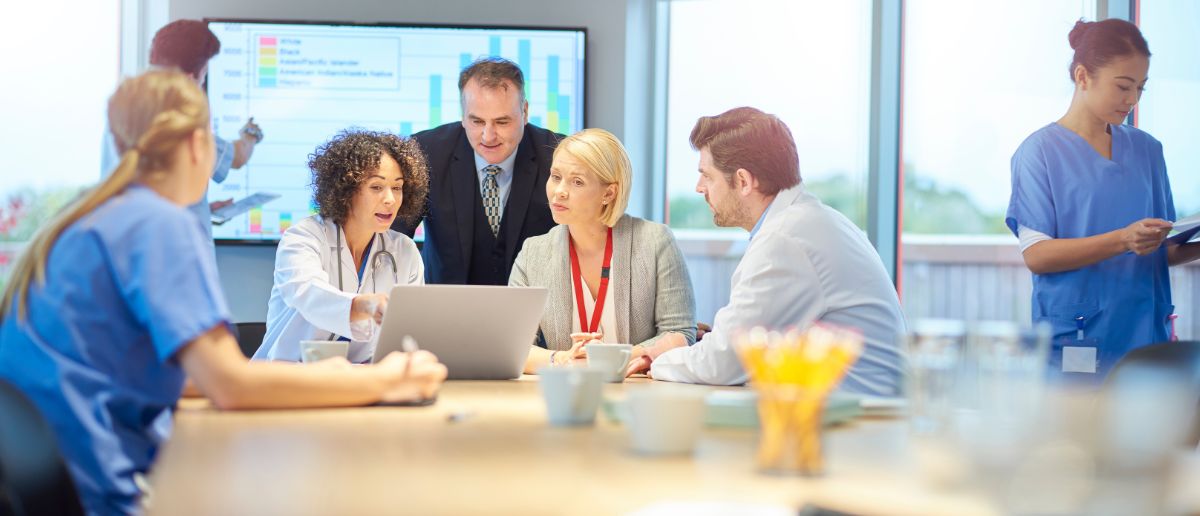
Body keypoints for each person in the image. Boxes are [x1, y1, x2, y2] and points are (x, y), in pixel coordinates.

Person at [0, 70, 446, 516]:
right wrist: (387, 381)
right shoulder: (160, 224)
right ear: (200, 146)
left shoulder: (88, 219)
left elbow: (180, 378)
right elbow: (229, 384)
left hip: (52, 484)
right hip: (97, 492)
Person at [644, 107, 906, 396]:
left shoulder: (785, 240)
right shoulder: (805, 221)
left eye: (707, 176)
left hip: (860, 422)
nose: (699, 187)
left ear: (743, 181)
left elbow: (722, 363)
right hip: (854, 410)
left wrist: (661, 356)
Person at [1006, 19, 1200, 379]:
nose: (1132, 100)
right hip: (1079, 339)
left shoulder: (1148, 151)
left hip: (1146, 340)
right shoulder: (1039, 153)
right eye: (1123, 86)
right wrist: (1123, 239)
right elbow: (1037, 255)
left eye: (1141, 88)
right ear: (1083, 77)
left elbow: (1161, 250)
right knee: (1076, 433)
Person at [509, 128, 696, 373]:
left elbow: (681, 333)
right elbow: (515, 346)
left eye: (577, 182)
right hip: (568, 391)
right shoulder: (533, 253)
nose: (559, 191)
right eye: (555, 177)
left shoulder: (655, 242)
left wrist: (617, 358)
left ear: (609, 193)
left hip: (638, 394)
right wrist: (563, 359)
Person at [254, 130, 429, 363]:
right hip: (290, 378)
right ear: (347, 188)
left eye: (397, 188)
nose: (390, 199)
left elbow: (409, 330)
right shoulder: (304, 237)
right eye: (376, 187)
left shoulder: (404, 251)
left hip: (363, 381)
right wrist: (364, 305)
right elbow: (308, 294)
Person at [392, 57, 561, 285]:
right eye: (477, 121)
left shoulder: (559, 156)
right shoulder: (424, 153)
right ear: (463, 115)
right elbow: (392, 239)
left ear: (525, 111)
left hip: (537, 313)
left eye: (502, 122)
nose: (488, 136)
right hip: (445, 311)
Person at [101, 19, 263, 242]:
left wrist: (202, 208)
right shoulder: (183, 124)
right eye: (204, 76)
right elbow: (238, 156)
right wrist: (250, 134)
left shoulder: (123, 116)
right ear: (190, 78)